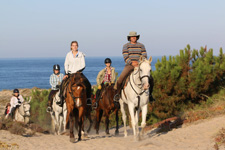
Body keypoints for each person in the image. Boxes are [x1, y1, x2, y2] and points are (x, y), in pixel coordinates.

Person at [114, 31, 155, 102]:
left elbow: (144, 56)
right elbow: (125, 57)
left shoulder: (141, 45)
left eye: (135, 36)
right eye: (132, 36)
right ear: (129, 38)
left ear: (137, 37)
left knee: (151, 79)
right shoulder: (125, 46)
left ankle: (150, 95)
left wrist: (139, 63)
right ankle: (118, 95)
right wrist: (131, 63)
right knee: (120, 79)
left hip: (140, 65)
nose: (134, 38)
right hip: (129, 65)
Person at [58, 41, 92, 106]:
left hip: (79, 73)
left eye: (76, 45)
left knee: (88, 84)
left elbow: (83, 65)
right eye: (73, 45)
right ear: (71, 47)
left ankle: (88, 99)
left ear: (77, 46)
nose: (74, 47)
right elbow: (66, 64)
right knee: (62, 84)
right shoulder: (68, 54)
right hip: (70, 74)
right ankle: (61, 100)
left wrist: (78, 71)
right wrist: (66, 73)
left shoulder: (81, 54)